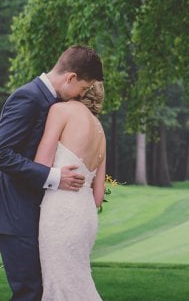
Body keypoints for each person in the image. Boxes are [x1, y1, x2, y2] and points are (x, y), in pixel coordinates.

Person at [0, 45, 103, 301]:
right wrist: (55, 177)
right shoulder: (28, 96)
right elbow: (2, 152)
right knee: (30, 292)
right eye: (83, 87)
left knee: (41, 290)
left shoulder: (57, 104)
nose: (83, 93)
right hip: (17, 214)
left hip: (42, 213)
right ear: (71, 78)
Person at [35, 81, 106, 301]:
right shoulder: (100, 130)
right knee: (77, 281)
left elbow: (40, 166)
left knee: (61, 285)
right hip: (85, 215)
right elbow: (98, 196)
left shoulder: (60, 111)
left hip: (61, 212)